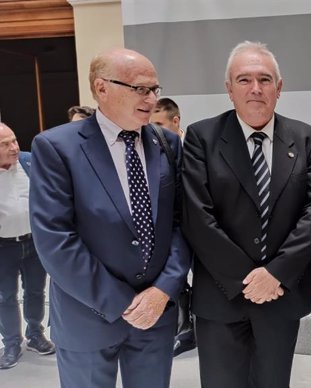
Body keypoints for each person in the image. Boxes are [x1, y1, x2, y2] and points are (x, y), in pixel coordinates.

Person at [29, 48, 191, 388]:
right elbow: (55, 241)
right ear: (102, 88)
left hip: (155, 317)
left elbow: (181, 225)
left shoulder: (166, 144)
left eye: (155, 89)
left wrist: (162, 291)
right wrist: (125, 303)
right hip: (87, 318)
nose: (151, 98)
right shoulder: (57, 147)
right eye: (140, 89)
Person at [182, 41, 311, 388]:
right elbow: (197, 216)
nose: (256, 89)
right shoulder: (202, 137)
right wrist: (248, 279)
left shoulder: (306, 138)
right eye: (244, 80)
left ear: (279, 88)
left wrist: (275, 274)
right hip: (221, 297)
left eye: (265, 80)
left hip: (280, 297)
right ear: (229, 89)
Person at [0, 122, 55, 370]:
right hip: (3, 247)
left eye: (13, 140)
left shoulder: (29, 162)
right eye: (4, 144)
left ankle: (35, 334)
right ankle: (11, 343)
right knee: (5, 297)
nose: (13, 147)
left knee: (35, 292)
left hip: (34, 242)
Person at [148, 97, 194, 357]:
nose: (151, 128)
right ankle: (182, 327)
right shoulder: (154, 151)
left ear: (175, 122)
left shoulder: (195, 147)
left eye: (158, 123)